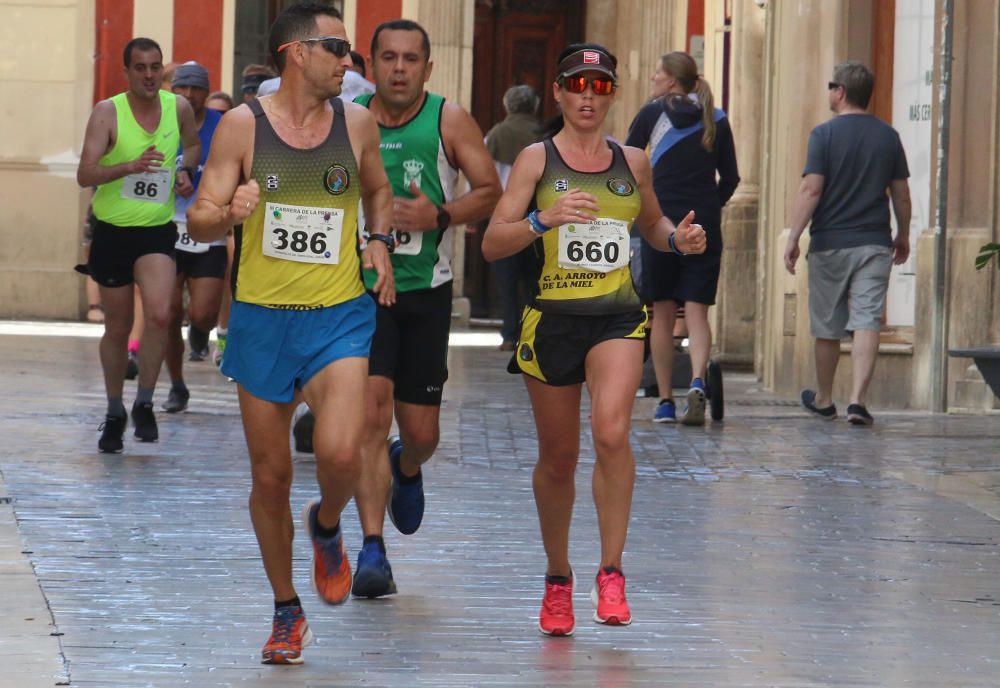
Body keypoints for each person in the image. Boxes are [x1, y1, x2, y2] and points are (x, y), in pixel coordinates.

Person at [187, 2, 394, 665]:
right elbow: (201, 214)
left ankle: (328, 525)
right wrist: (228, 211)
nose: (349, 62)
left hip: (339, 316)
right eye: (338, 49)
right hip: (262, 321)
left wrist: (380, 243)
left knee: (339, 454)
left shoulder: (357, 124)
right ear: (295, 54)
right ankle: (285, 609)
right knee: (271, 477)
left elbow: (378, 191)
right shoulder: (243, 128)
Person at [481, 43, 706, 636]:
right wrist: (541, 221)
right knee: (559, 459)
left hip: (616, 316)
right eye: (577, 85)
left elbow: (651, 224)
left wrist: (675, 239)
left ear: (612, 95)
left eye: (600, 87)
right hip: (552, 317)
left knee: (611, 433)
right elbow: (492, 242)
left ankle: (612, 570)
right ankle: (559, 578)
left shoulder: (632, 162)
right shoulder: (536, 159)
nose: (587, 96)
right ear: (558, 91)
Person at [294, 19, 501, 600]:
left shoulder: (448, 119)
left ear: (427, 68)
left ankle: (406, 468)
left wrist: (440, 216)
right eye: (389, 57)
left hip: (425, 291)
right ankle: (372, 549)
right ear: (373, 64)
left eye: (411, 59)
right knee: (369, 412)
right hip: (359, 292)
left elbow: (489, 190)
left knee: (422, 433)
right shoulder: (347, 117)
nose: (400, 68)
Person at [76, 37, 200, 453]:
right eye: (140, 68)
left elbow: (193, 144)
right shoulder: (107, 113)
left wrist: (185, 170)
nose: (149, 75)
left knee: (163, 315)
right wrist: (128, 166)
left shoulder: (177, 108)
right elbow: (85, 174)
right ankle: (115, 410)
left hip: (155, 230)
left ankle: (145, 401)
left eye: (155, 67)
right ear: (127, 72)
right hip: (112, 231)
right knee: (117, 326)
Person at [784, 61, 910, 426]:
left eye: (830, 86)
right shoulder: (888, 136)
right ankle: (858, 400)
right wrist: (902, 233)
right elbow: (901, 193)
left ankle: (825, 399)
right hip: (873, 242)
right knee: (867, 319)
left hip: (830, 244)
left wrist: (793, 236)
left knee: (827, 325)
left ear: (840, 91)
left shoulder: (823, 135)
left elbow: (811, 188)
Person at [625, 52, 739, 426]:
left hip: (660, 224)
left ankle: (665, 401)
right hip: (703, 224)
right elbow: (732, 177)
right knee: (696, 310)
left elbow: (626, 160)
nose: (653, 79)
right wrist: (710, 206)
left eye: (657, 73)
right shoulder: (717, 118)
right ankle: (696, 382)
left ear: (672, 81)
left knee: (661, 311)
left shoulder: (651, 114)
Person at [162, 62, 227, 413]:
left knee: (203, 312)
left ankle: (200, 331)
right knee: (170, 312)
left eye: (196, 88)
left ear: (206, 91)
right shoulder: (160, 123)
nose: (188, 95)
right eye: (181, 88)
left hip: (209, 230)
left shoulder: (222, 126)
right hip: (168, 228)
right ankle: (176, 385)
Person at [485, 85, 541, 351]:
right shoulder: (546, 137)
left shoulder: (495, 135)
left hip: (504, 213)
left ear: (508, 106)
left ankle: (509, 334)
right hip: (539, 215)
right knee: (535, 277)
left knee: (506, 280)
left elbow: (486, 177)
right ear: (535, 107)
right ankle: (534, 331)